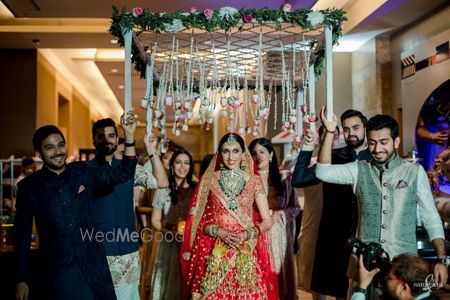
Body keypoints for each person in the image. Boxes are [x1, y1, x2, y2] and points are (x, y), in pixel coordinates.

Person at [315, 108, 448, 298]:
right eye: (372, 143)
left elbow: (431, 218)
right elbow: (322, 172)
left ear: (396, 141)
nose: (377, 149)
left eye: (384, 142)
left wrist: (442, 260)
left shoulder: (414, 172)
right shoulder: (358, 170)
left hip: (405, 270)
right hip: (364, 269)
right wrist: (329, 132)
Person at [14, 112, 137, 300]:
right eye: (50, 148)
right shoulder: (29, 187)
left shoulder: (82, 172)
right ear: (39, 153)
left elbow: (123, 173)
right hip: (58, 271)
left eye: (61, 145)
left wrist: (129, 137)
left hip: (93, 266)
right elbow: (21, 236)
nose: (58, 151)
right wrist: (21, 279)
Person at [180, 133, 277, 300]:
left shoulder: (254, 181)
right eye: (226, 151)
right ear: (219, 153)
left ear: (243, 153)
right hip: (215, 251)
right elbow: (197, 220)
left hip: (245, 250)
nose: (231, 156)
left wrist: (246, 235)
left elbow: (267, 221)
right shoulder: (209, 180)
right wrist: (219, 232)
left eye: (235, 151)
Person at [292, 109, 372, 300]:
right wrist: (308, 147)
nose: (351, 133)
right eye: (346, 129)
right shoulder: (333, 157)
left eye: (356, 128)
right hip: (336, 238)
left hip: (367, 235)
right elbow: (299, 178)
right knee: (338, 290)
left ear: (365, 129)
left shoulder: (376, 157)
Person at [249, 138, 299, 300]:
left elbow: (295, 207)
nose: (258, 156)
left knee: (280, 275)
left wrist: (280, 214)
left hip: (279, 235)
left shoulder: (284, 179)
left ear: (270, 154)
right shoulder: (247, 181)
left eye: (262, 152)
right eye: (254, 153)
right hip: (256, 234)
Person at [150, 149, 197, 299]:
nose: (182, 167)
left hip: (190, 242)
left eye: (186, 163)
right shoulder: (162, 189)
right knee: (167, 279)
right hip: (169, 241)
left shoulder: (196, 190)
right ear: (171, 166)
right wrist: (168, 232)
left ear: (191, 166)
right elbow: (155, 220)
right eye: (178, 162)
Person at [352, 254, 440, 300]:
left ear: (403, 288)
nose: (385, 279)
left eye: (389, 278)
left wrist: (361, 288)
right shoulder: (430, 295)